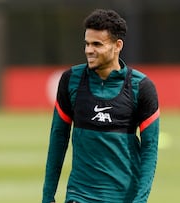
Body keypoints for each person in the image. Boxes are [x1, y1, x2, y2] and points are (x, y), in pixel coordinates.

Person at [42, 9, 160, 203]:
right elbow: (58, 139)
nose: (89, 50)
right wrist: (48, 196)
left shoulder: (142, 87)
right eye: (87, 43)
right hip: (80, 196)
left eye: (97, 44)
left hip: (124, 197)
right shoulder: (71, 80)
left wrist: (140, 200)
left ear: (117, 45)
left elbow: (150, 150)